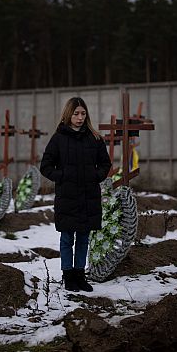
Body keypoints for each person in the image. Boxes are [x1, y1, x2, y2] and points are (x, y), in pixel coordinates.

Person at [40, 97, 111, 292]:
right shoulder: (58, 138)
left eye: (83, 114)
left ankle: (80, 275)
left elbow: (105, 164)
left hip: (89, 196)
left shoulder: (94, 138)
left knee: (83, 238)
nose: (80, 117)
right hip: (67, 197)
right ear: (68, 114)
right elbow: (45, 166)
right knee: (66, 238)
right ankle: (68, 276)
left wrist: (95, 176)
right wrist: (62, 176)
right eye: (76, 114)